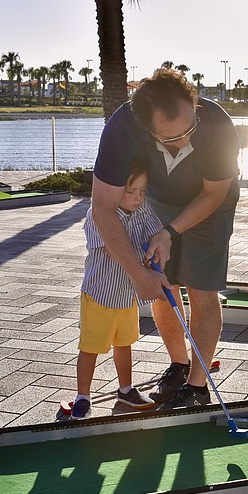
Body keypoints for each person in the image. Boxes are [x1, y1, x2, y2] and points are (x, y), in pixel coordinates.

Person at [91, 67, 241, 410]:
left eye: (190, 128)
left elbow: (213, 194)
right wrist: (137, 272)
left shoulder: (217, 125)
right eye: (172, 137)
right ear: (146, 128)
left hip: (210, 205)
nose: (186, 139)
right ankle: (179, 365)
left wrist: (170, 232)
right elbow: (103, 208)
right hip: (157, 201)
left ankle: (197, 388)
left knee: (202, 289)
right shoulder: (122, 129)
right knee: (161, 284)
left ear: (192, 103)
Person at [71, 162, 163, 419]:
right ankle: (83, 397)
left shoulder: (142, 209)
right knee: (90, 347)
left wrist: (156, 249)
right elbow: (113, 247)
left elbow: (156, 232)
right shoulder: (98, 213)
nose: (138, 198)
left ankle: (125, 390)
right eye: (131, 191)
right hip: (100, 294)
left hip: (125, 294)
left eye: (142, 191)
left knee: (125, 343)